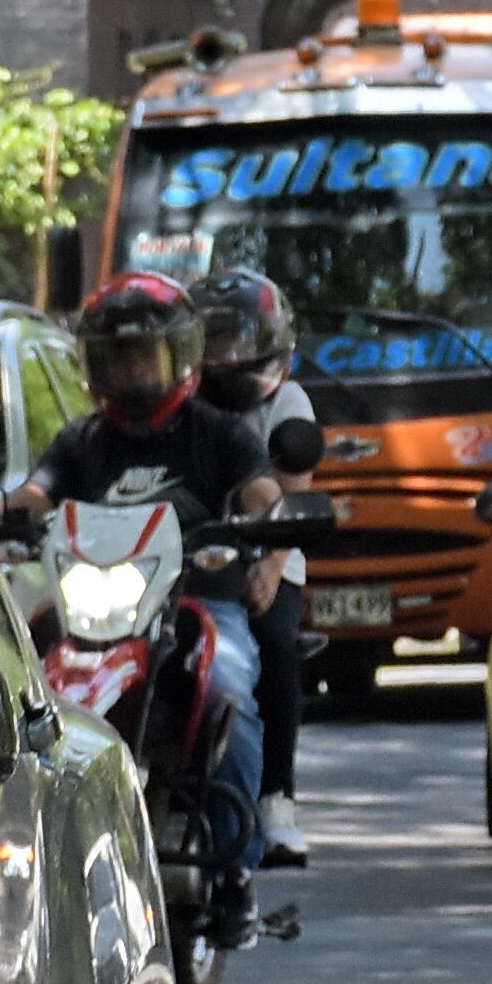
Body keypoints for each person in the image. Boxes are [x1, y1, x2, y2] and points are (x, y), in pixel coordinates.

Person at [4, 272, 283, 895]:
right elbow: (36, 493)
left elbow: (262, 491)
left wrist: (264, 526)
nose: (131, 368)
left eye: (143, 353)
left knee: (229, 691)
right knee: (22, 684)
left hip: (198, 602)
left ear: (179, 355)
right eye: (117, 356)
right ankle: (20, 850)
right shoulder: (82, 441)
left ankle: (236, 868)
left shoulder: (218, 433)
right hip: (93, 610)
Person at [192, 267, 314, 867]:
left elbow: (289, 497)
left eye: (236, 339)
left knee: (273, 643)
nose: (224, 355)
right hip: (183, 553)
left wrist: (269, 566)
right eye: (211, 339)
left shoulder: (287, 402)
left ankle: (275, 799)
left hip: (267, 551)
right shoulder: (175, 405)